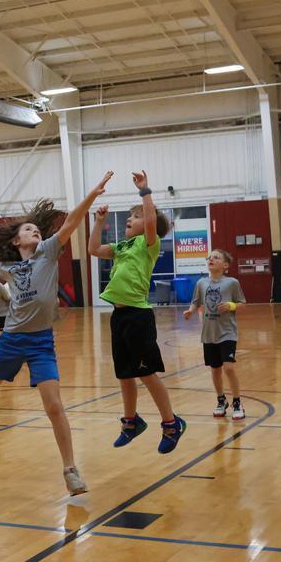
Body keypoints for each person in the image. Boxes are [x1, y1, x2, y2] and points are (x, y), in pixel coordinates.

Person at [0, 170, 114, 496]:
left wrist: (92, 195)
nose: (35, 231)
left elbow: (70, 223)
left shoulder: (49, 251)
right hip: (11, 341)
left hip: (41, 342)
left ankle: (70, 469)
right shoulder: (8, 267)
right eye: (28, 230)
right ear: (17, 241)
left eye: (37, 228)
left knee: (55, 407)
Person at [88, 171, 185, 451]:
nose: (130, 219)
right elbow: (94, 249)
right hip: (119, 317)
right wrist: (99, 221)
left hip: (139, 316)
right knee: (124, 374)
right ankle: (131, 422)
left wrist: (144, 191)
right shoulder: (121, 247)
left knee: (147, 373)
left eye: (137, 216)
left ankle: (171, 424)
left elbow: (152, 219)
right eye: (130, 217)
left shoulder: (148, 245)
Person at [185, 249, 248, 421]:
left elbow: (242, 303)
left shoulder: (232, 283)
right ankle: (221, 400)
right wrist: (190, 311)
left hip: (227, 332)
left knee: (228, 368)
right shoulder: (201, 283)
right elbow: (195, 301)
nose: (211, 259)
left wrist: (231, 306)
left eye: (216, 257)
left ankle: (237, 402)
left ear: (225, 265)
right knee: (215, 370)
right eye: (210, 257)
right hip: (209, 333)